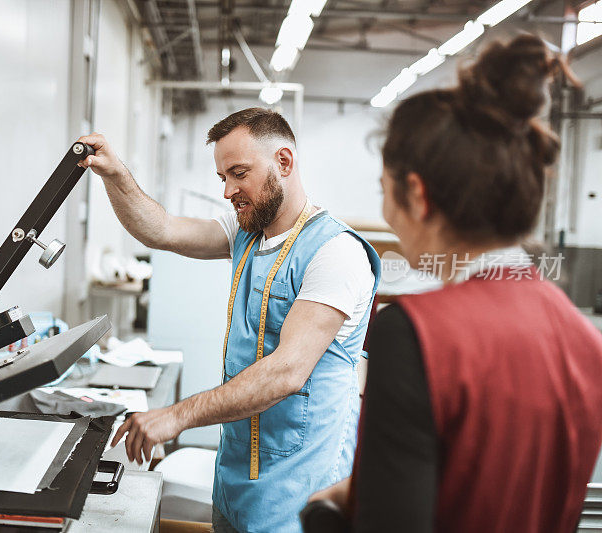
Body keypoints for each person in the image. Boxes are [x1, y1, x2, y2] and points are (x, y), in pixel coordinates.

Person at [307, 34, 602, 533]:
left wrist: (325, 511)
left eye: (385, 192)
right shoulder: (583, 340)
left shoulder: (415, 336)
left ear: (418, 196)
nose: (386, 213)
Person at [76, 108, 381, 533]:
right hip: (236, 479)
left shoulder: (336, 253)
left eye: (239, 173)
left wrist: (177, 416)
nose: (228, 191)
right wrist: (115, 174)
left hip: (300, 494)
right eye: (223, 178)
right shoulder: (246, 232)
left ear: (284, 162)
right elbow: (160, 229)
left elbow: (288, 371)